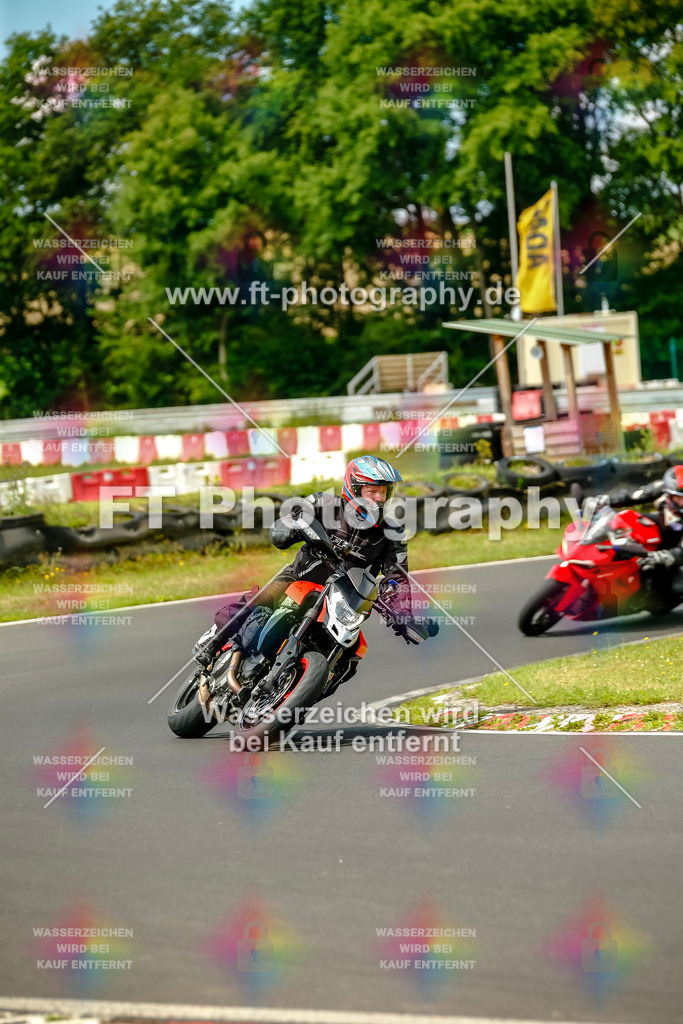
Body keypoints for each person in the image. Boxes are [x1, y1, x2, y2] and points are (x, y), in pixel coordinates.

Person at [192, 455, 437, 668]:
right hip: (299, 578)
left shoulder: (392, 532)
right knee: (262, 600)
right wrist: (288, 529)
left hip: (343, 601)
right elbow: (285, 525)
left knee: (350, 657)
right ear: (353, 487)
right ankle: (214, 639)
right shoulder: (322, 502)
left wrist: (404, 612)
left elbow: (397, 577)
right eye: (372, 491)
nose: (378, 498)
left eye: (383, 492)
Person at [585, 463, 683, 601]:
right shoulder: (662, 487)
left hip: (677, 545)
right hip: (663, 524)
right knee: (624, 518)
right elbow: (633, 496)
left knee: (671, 587)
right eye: (677, 497)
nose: (680, 501)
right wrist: (605, 499)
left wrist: (665, 556)